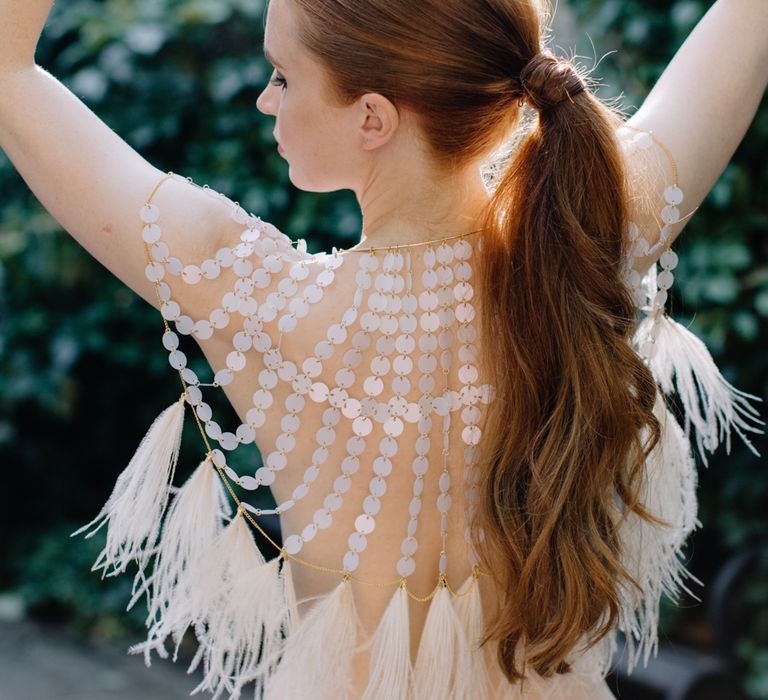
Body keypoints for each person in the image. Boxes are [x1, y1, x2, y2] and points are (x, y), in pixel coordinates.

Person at [1, 0, 766, 698]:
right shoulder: (590, 230)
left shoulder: (252, 295)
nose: (265, 98)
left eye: (282, 75)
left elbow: (8, 72)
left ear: (372, 118)